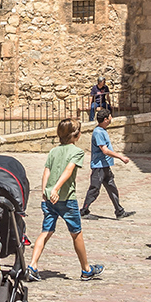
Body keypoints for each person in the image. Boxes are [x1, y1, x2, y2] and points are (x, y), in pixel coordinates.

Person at [30, 117, 104, 282]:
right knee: (76, 233)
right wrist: (56, 189)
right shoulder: (77, 152)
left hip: (49, 199)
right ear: (77, 135)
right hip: (66, 199)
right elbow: (68, 170)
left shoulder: (53, 151)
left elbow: (47, 171)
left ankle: (32, 265)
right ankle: (86, 269)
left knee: (46, 231)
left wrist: (45, 191)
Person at [81, 108, 129, 219]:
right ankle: (84, 211)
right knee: (94, 189)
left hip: (105, 165)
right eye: (110, 116)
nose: (112, 118)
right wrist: (120, 157)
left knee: (112, 188)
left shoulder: (102, 130)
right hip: (99, 167)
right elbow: (105, 150)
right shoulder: (98, 132)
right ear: (106, 119)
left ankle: (119, 211)